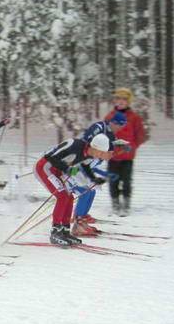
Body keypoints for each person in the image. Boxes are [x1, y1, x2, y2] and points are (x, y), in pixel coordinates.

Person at [34, 133, 113, 246]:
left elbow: (85, 167)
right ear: (95, 147)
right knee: (62, 196)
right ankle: (55, 232)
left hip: (57, 171)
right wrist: (68, 169)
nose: (100, 156)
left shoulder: (89, 155)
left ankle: (65, 231)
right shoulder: (75, 145)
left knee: (69, 197)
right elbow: (50, 157)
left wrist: (94, 179)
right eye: (100, 153)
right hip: (44, 167)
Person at [76, 112, 128, 223]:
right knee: (86, 192)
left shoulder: (112, 135)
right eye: (120, 126)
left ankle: (82, 216)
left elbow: (107, 155)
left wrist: (121, 148)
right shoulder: (99, 127)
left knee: (91, 191)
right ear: (114, 123)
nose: (120, 129)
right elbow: (85, 143)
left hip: (89, 165)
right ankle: (78, 219)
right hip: (78, 165)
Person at [104, 88, 147, 216]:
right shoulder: (109, 117)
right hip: (112, 156)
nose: (121, 102)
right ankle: (115, 204)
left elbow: (140, 135)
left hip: (128, 156)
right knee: (113, 181)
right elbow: (104, 134)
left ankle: (126, 204)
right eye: (118, 99)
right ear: (115, 101)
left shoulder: (134, 117)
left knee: (127, 181)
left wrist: (133, 146)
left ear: (128, 101)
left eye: (124, 99)